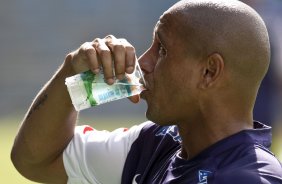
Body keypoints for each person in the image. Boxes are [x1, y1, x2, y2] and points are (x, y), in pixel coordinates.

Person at [11, 0, 282, 183]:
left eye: (162, 50)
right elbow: (35, 160)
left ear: (209, 71)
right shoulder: (155, 143)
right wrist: (71, 73)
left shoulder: (250, 177)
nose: (143, 63)